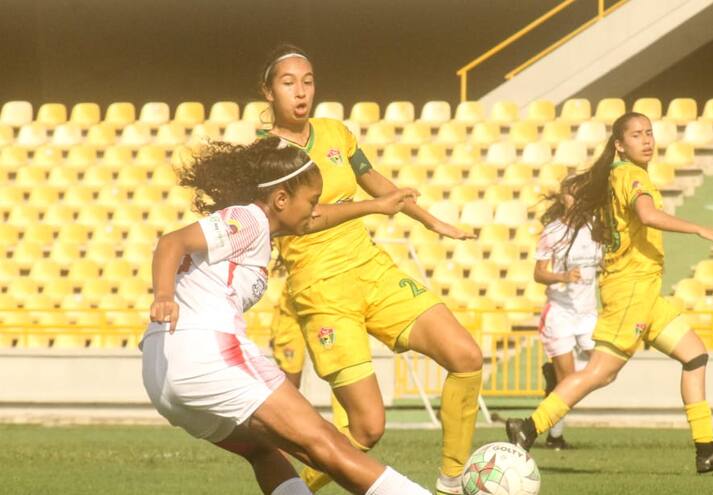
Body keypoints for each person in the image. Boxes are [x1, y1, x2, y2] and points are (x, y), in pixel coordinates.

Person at [141, 137, 430, 495]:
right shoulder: (249, 219)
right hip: (207, 352)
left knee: (263, 450)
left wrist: (376, 205)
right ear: (280, 199)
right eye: (311, 200)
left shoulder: (259, 225)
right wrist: (164, 297)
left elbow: (313, 220)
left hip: (161, 370)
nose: (315, 209)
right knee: (327, 444)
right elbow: (170, 243)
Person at [257, 44, 483, 495]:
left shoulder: (335, 132)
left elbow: (375, 180)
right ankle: (293, 490)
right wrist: (373, 207)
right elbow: (304, 220)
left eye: (308, 81)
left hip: (372, 268)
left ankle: (451, 483)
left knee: (466, 357)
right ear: (268, 92)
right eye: (288, 83)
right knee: (366, 429)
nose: (301, 92)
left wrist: (430, 220)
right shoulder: (266, 156)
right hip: (322, 289)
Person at [506, 112, 713, 474]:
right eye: (636, 135)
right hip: (631, 290)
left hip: (645, 292)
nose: (647, 140)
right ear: (620, 145)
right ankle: (528, 428)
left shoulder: (616, 175)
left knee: (695, 356)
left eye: (649, 133)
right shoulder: (631, 175)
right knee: (600, 373)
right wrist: (699, 228)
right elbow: (648, 215)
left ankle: (706, 448)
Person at [533, 176, 602, 450]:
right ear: (563, 198)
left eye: (580, 194)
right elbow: (538, 274)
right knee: (568, 381)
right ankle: (555, 437)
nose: (575, 199)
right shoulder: (553, 231)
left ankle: (553, 378)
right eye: (571, 194)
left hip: (588, 314)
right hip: (559, 313)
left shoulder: (596, 228)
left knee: (604, 369)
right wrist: (562, 276)